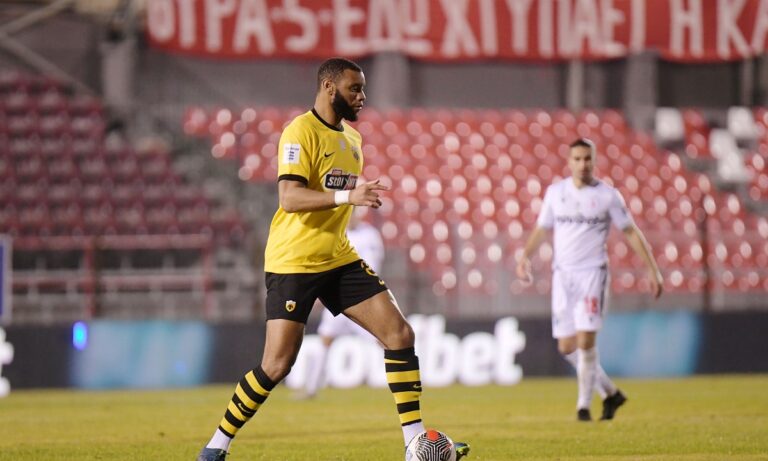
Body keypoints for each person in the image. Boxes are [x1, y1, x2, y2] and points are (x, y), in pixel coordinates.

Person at [196, 57, 469, 461]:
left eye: (363, 89)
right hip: (294, 261)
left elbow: (334, 197)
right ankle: (216, 446)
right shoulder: (300, 132)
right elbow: (289, 198)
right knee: (277, 365)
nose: (362, 96)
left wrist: (352, 196)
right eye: (354, 88)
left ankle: (415, 444)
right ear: (329, 88)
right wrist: (348, 195)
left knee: (399, 335)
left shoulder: (353, 140)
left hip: (338, 257)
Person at [516, 138, 663, 422]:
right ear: (569, 162)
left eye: (587, 159)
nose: (583, 164)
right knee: (566, 346)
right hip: (562, 275)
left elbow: (630, 231)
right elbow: (541, 228)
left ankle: (583, 407)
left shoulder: (608, 196)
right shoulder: (555, 193)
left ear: (594, 161)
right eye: (578, 159)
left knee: (585, 341)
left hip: (592, 274)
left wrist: (652, 269)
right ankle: (610, 393)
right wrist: (524, 258)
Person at [300, 207, 385, 399]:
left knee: (382, 339)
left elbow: (371, 268)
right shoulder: (336, 234)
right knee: (325, 339)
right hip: (336, 299)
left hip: (360, 299)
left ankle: (408, 379)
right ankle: (311, 389)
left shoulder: (369, 235)